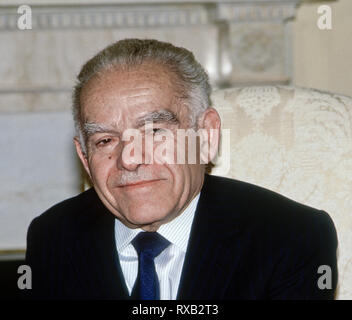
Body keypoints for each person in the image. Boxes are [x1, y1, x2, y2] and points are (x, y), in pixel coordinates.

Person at [25, 39, 338, 300]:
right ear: (84, 157)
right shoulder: (53, 237)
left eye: (155, 131)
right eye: (105, 140)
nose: (129, 160)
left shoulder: (290, 236)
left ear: (206, 136)